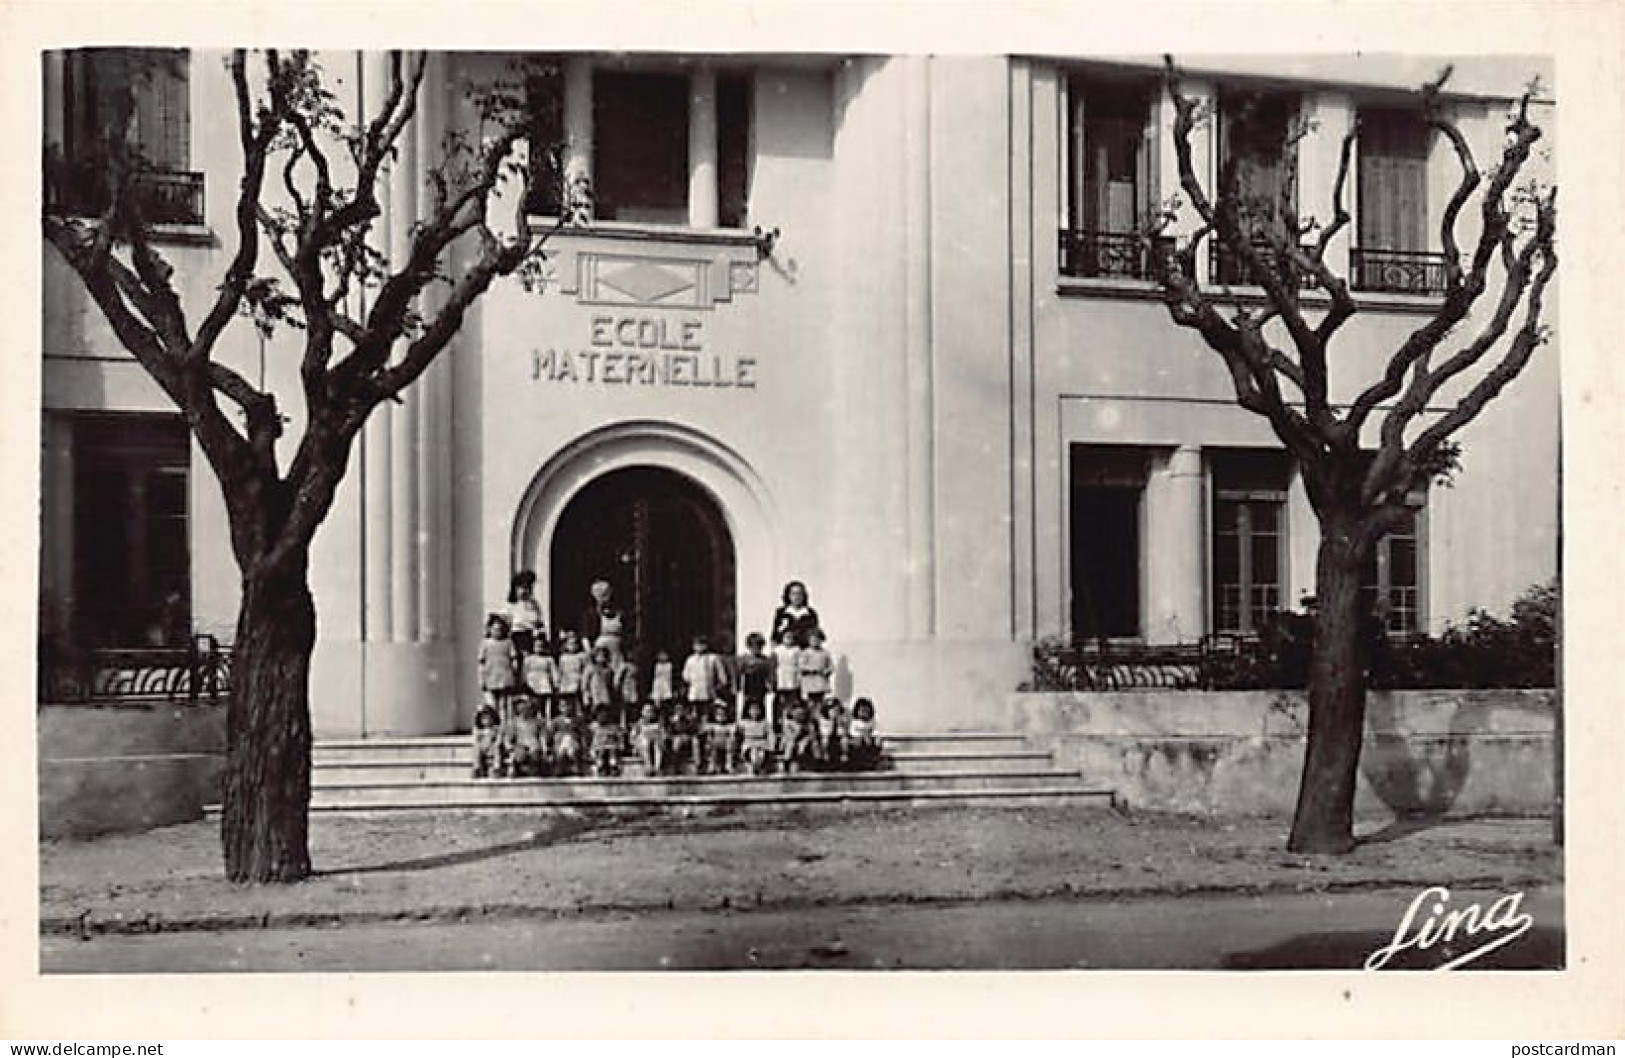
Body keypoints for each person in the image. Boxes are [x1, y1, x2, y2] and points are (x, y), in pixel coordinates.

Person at [478, 614, 519, 726]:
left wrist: (515, 673)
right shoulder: (486, 643)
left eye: (500, 629)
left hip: (505, 675)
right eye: (495, 629)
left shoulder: (508, 642)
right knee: (492, 704)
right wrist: (481, 679)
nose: (497, 632)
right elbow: (481, 663)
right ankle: (494, 725)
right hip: (491, 676)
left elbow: (514, 659)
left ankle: (505, 725)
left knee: (505, 704)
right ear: (490, 629)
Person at [579, 580, 630, 666]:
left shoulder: (620, 613)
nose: (604, 598)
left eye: (606, 593)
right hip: (599, 653)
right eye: (600, 594)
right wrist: (590, 652)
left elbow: (627, 634)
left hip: (617, 652)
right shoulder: (591, 614)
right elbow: (585, 636)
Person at [735, 632, 774, 724]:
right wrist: (737, 685)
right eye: (754, 646)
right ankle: (745, 724)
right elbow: (738, 673)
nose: (757, 649)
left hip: (760, 684)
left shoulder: (765, 660)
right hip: (749, 683)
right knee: (748, 703)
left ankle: (761, 724)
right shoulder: (744, 659)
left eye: (759, 646)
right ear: (749, 647)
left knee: (760, 704)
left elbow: (769, 674)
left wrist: (770, 684)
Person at [682, 635, 730, 711]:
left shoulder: (713, 658)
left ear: (706, 646)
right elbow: (686, 676)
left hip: (709, 693)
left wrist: (719, 686)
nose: (698, 647)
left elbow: (722, 675)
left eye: (701, 644)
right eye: (696, 645)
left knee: (708, 712)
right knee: (695, 713)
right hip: (695, 693)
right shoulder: (690, 659)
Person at [770, 580, 821, 647]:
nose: (797, 597)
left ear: (804, 595)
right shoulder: (781, 612)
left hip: (804, 652)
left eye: (799, 593)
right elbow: (775, 636)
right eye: (793, 594)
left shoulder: (810, 613)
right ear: (788, 595)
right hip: (786, 652)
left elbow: (816, 635)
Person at [506, 570, 546, 656]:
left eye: (528, 587)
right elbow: (506, 627)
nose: (525, 591)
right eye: (522, 588)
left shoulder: (534, 604)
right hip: (517, 639)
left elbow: (539, 622)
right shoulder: (511, 606)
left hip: (532, 638)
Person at [797, 627, 834, 711]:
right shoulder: (806, 653)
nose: (815, 642)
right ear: (809, 640)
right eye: (813, 640)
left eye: (817, 640)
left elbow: (831, 666)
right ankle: (810, 719)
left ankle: (819, 717)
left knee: (820, 702)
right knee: (811, 702)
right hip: (810, 681)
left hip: (821, 680)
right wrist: (811, 669)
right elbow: (801, 666)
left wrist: (827, 671)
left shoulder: (825, 653)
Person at [554, 629, 588, 718]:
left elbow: (585, 671)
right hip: (566, 682)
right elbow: (560, 671)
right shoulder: (563, 657)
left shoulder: (582, 656)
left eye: (575, 644)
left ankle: (579, 717)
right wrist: (558, 682)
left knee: (577, 702)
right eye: (570, 644)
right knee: (566, 701)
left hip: (578, 681)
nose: (573, 646)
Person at [521, 643, 559, 719]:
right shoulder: (528, 659)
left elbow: (554, 671)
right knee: (535, 701)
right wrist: (524, 682)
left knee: (546, 700)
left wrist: (556, 681)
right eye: (537, 646)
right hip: (532, 682)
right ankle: (537, 717)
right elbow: (524, 671)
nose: (539, 648)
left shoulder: (549, 659)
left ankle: (548, 717)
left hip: (544, 680)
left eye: (541, 646)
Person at [772, 628, 802, 724]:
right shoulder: (777, 650)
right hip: (781, 677)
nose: (789, 639)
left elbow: (800, 664)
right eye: (786, 637)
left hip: (793, 676)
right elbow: (773, 665)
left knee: (792, 701)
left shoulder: (797, 650)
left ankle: (791, 722)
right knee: (780, 702)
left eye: (790, 637)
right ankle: (779, 723)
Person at [736, 699, 773, 775]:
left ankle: (760, 768)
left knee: (761, 753)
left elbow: (770, 734)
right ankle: (753, 767)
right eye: (752, 710)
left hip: (762, 743)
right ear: (748, 711)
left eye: (757, 709)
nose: (755, 712)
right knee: (753, 753)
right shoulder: (743, 723)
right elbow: (738, 734)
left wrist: (770, 745)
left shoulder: (765, 723)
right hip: (749, 743)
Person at [701, 699, 737, 775]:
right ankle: (712, 766)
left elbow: (732, 735)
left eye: (723, 714)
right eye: (719, 714)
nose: (721, 717)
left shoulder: (729, 725)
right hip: (715, 743)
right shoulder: (712, 725)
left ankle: (729, 765)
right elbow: (707, 734)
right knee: (711, 746)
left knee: (730, 744)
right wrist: (709, 738)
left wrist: (731, 737)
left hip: (725, 743)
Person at [846, 698, 881, 771]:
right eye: (862, 711)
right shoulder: (854, 722)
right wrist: (862, 736)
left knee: (875, 742)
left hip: (869, 741)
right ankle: (858, 763)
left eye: (866, 711)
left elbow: (875, 732)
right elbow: (852, 733)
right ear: (857, 711)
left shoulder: (872, 722)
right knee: (856, 743)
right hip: (857, 741)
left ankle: (870, 762)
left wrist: (872, 738)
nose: (864, 713)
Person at [633, 702, 666, 776]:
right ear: (642, 712)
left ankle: (657, 768)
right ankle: (648, 767)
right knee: (645, 742)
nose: (649, 713)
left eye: (651, 711)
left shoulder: (658, 722)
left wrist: (661, 739)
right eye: (647, 711)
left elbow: (663, 734)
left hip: (656, 742)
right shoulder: (639, 723)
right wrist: (635, 743)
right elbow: (633, 735)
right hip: (643, 743)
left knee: (658, 744)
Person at [471, 703, 503, 779]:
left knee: (497, 749)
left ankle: (496, 768)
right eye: (483, 719)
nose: (486, 721)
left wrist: (497, 743)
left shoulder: (496, 729)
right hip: (482, 747)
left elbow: (499, 739)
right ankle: (477, 767)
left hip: (492, 747)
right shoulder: (479, 731)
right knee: (476, 748)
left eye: (488, 718)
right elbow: (475, 740)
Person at [650, 649, 677, 714]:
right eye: (661, 655)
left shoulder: (670, 665)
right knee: (657, 704)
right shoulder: (656, 665)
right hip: (657, 685)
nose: (663, 657)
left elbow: (671, 677)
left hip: (667, 685)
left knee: (666, 704)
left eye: (664, 655)